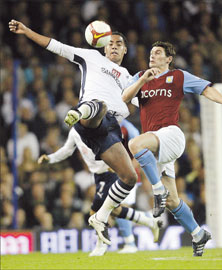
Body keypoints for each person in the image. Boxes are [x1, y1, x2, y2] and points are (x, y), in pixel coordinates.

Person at [9, 19, 140, 245]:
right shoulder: (91, 57)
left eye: (119, 43)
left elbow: (145, 105)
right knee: (101, 106)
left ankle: (100, 217)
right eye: (111, 43)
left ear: (125, 49)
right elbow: (56, 46)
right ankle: (82, 109)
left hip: (110, 132)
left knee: (129, 178)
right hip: (91, 121)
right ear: (104, 45)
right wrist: (28, 31)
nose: (115, 46)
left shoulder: (129, 78)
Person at [122, 41, 222, 256]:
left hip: (171, 135)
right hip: (156, 146)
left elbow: (206, 89)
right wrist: (142, 80)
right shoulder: (140, 76)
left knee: (134, 144)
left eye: (158, 52)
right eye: (151, 52)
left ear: (168, 59)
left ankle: (157, 191)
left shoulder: (178, 76)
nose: (152, 55)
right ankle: (198, 233)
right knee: (172, 201)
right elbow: (124, 99)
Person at [38, 120, 161, 256]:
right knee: (114, 210)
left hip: (111, 172)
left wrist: (117, 163)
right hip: (98, 175)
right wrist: (50, 158)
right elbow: (67, 150)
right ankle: (148, 221)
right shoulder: (74, 132)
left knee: (95, 213)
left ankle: (102, 245)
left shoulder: (101, 128)